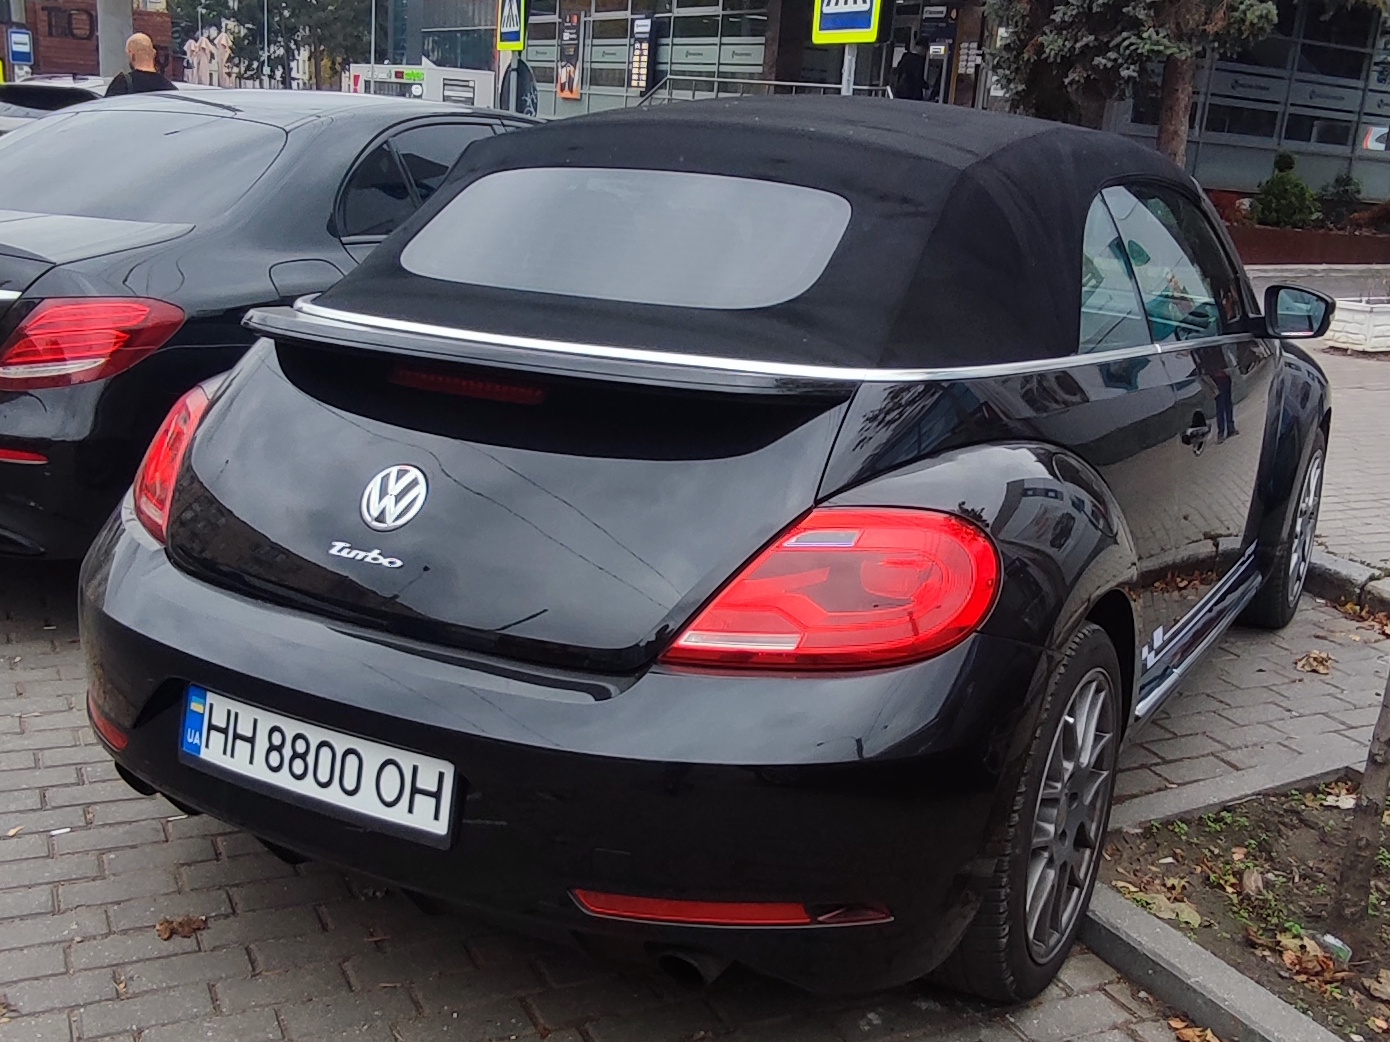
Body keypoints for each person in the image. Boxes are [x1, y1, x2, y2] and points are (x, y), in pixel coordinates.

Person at [105, 34, 175, 96]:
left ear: (132, 55)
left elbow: (107, 105)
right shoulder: (169, 88)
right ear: (154, 53)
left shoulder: (121, 84)